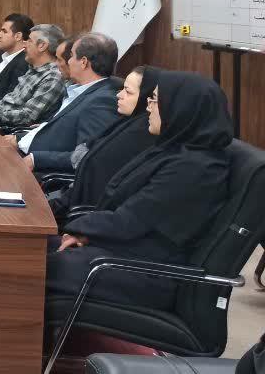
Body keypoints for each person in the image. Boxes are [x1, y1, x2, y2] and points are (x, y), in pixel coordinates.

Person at [46, 71, 233, 310]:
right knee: (28, 249)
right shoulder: (175, 150)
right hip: (126, 251)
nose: (148, 107)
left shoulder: (196, 168)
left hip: (146, 271)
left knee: (30, 264)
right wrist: (85, 232)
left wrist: (82, 230)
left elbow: (131, 220)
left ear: (181, 108)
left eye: (154, 100)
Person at [48, 66, 160, 218]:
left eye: (128, 92)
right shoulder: (127, 123)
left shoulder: (139, 135)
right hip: (71, 202)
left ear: (145, 97)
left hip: (82, 216)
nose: (119, 95)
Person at [13, 32, 122, 172]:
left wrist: (36, 159)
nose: (68, 61)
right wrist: (19, 139)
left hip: (39, 169)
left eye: (71, 55)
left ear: (83, 62)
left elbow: (87, 156)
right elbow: (59, 130)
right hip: (23, 150)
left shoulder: (102, 101)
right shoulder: (80, 90)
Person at [0, 23, 66, 126]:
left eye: (29, 40)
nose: (24, 45)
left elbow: (27, 117)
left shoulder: (52, 77)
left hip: (7, 131)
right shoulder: (33, 69)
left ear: (42, 45)